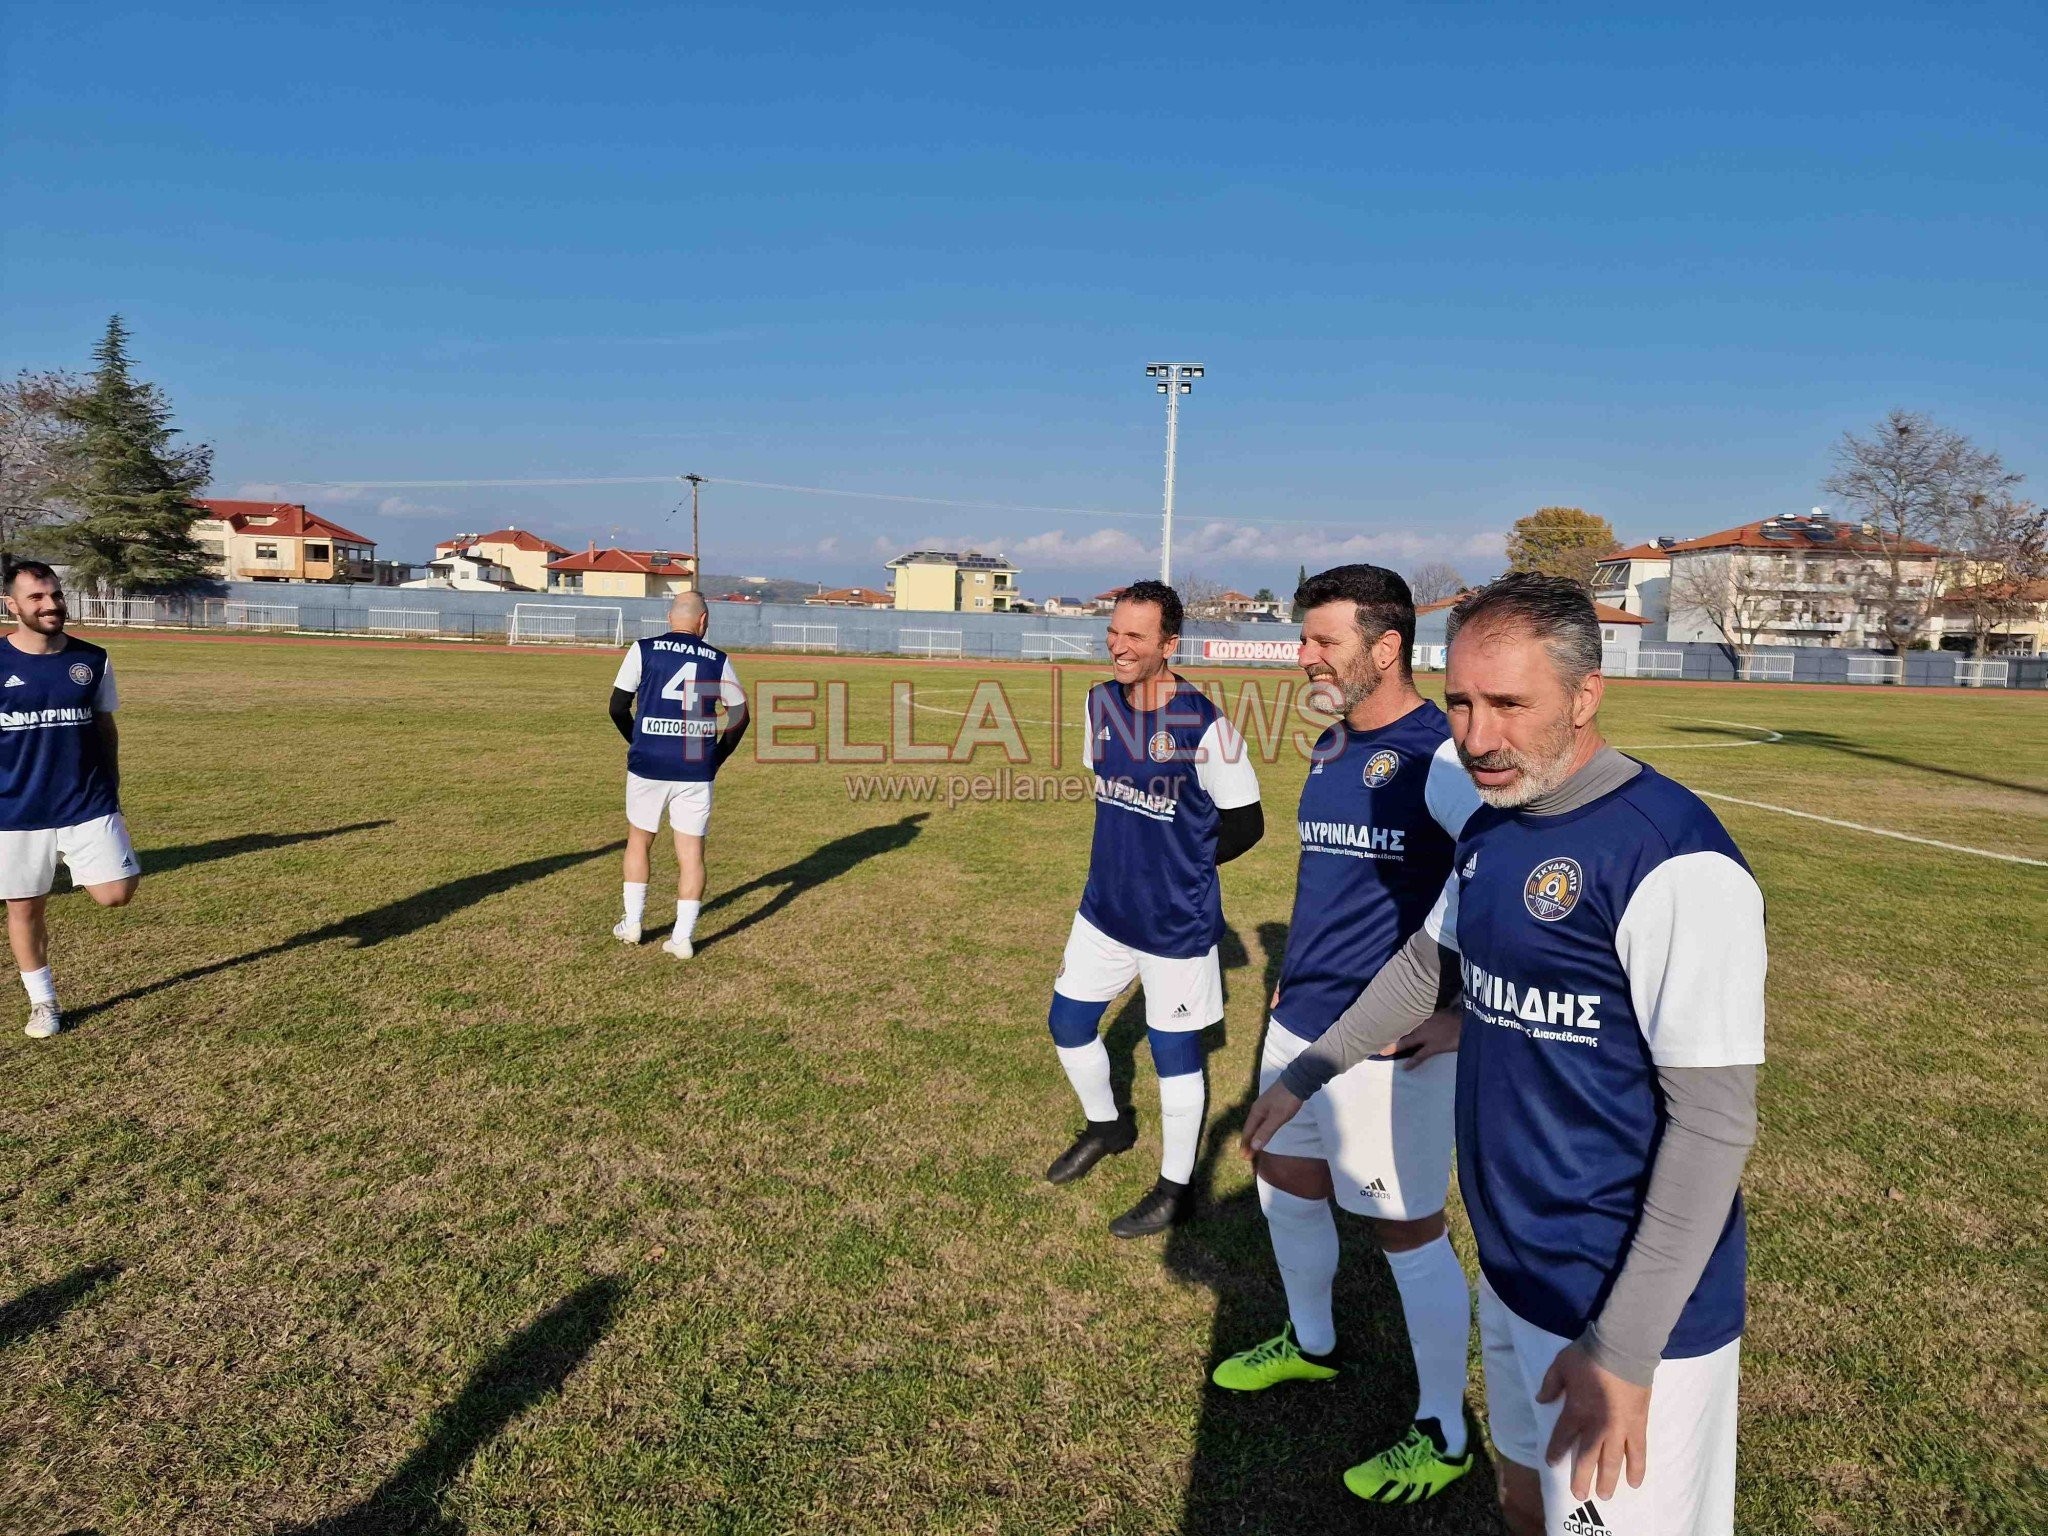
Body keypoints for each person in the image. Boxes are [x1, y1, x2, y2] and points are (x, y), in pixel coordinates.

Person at [1242, 573, 1765, 1536]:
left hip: (1620, 1304)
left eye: (1511, 705)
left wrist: (1626, 1350)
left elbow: (1714, 1122)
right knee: (1523, 1501)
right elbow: (1424, 964)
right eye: (1463, 704)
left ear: (1585, 695)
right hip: (1515, 1267)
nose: (1478, 737)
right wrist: (1311, 1071)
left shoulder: (1674, 860)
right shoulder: (1493, 827)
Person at [1207, 564, 1483, 1504]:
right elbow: (1328, 884)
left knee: (1405, 1230)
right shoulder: (1329, 747)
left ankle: (1444, 1429)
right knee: (1281, 1173)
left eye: (1323, 640)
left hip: (1389, 1043)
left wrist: (1462, 1013)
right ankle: (1312, 1343)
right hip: (1298, 1022)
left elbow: (1510, 895)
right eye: (1303, 639)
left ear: (1387, 647)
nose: (1304, 657)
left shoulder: (1441, 755)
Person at [1044, 580, 1263, 1237]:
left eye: (1135, 636)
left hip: (1175, 921)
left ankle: (1176, 1188)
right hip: (1104, 907)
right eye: (1114, 632)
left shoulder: (1206, 724)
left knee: (1175, 1056)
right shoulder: (1099, 702)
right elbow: (1107, 783)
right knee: (1068, 1023)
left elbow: (1247, 823)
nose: (1118, 645)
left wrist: (1181, 867)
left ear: (1169, 644)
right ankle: (1108, 1127)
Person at [0, 559, 140, 1039]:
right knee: (24, 907)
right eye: (37, 597)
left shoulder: (92, 659)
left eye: (56, 595)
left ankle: (78, 860)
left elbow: (105, 725)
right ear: (12, 605)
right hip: (15, 809)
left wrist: (113, 788)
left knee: (116, 893)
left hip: (87, 802)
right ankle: (44, 1003)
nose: (51, 604)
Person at [609, 590, 749, 958]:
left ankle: (633, 923)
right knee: (691, 853)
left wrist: (639, 740)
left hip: (648, 763)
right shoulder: (718, 659)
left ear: (670, 618)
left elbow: (617, 706)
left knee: (639, 840)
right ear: (703, 621)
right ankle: (682, 937)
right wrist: (715, 757)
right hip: (694, 766)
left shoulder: (643, 649)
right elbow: (740, 715)